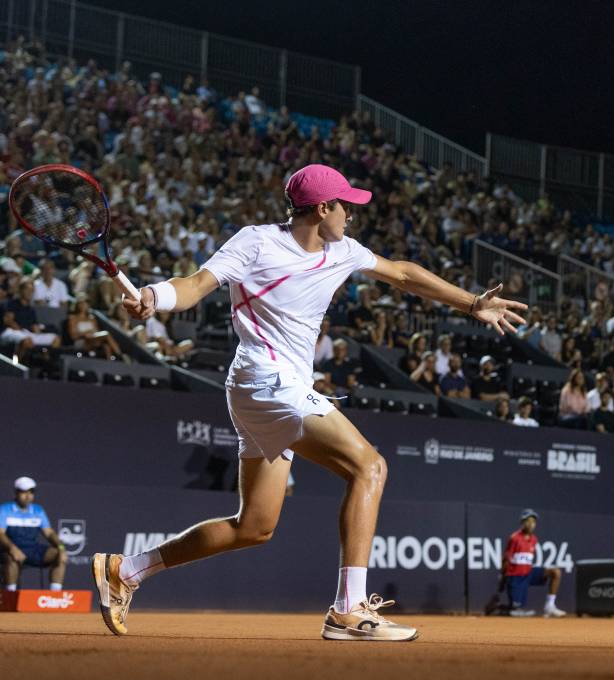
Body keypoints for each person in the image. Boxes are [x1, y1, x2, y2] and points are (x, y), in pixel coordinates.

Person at [91, 164, 527, 641]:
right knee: (370, 467)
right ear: (323, 208)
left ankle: (126, 569)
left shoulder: (343, 250)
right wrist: (155, 295)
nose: (352, 215)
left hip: (268, 387)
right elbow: (196, 284)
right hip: (265, 379)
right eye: (346, 206)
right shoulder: (256, 242)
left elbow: (403, 274)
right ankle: (349, 609)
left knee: (254, 526)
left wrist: (471, 304)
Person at [0, 477, 67, 592]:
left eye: (31, 492)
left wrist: (61, 548)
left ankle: (55, 596)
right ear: (16, 493)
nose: (28, 496)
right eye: (24, 492)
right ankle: (10, 595)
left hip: (32, 549)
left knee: (58, 554)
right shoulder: (5, 509)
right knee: (11, 557)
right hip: (10, 548)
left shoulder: (38, 510)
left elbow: (49, 532)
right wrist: (12, 549)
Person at [499, 509, 565, 618]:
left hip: (528, 574)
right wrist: (502, 578)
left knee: (555, 572)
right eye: (528, 521)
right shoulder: (514, 538)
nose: (531, 524)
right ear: (522, 522)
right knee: (515, 610)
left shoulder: (534, 539)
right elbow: (505, 559)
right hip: (515, 577)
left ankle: (550, 606)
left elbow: (527, 560)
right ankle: (498, 608)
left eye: (533, 522)